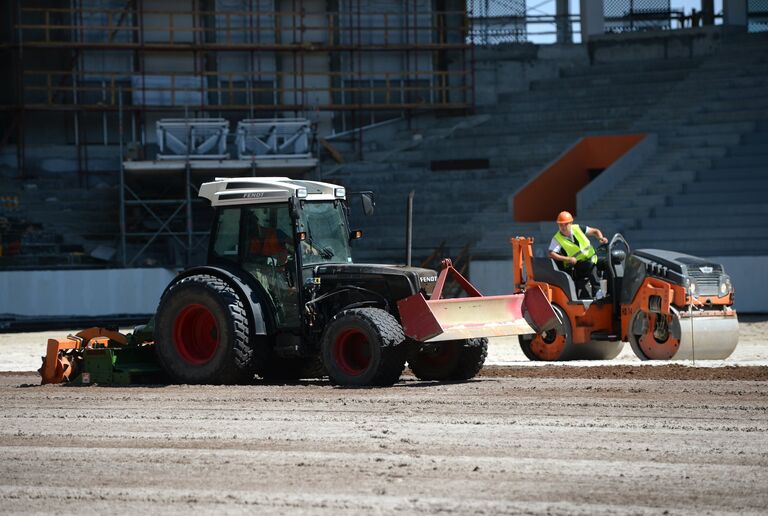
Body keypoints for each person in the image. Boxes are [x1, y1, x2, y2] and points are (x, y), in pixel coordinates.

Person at [548, 211, 608, 299]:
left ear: (571, 223)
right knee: (590, 265)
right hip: (575, 267)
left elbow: (595, 231)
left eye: (566, 224)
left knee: (609, 262)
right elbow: (551, 253)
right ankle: (598, 291)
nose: (563, 227)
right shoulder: (557, 239)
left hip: (592, 258)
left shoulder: (578, 228)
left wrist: (600, 238)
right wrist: (568, 259)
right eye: (561, 225)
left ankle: (610, 289)